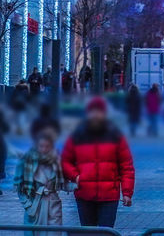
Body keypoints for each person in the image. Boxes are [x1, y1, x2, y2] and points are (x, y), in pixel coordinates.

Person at [61, 96, 135, 228]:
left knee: (106, 232)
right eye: (92, 111)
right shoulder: (77, 136)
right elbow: (65, 161)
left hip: (109, 196)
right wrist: (76, 177)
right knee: (88, 231)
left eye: (99, 111)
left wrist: (127, 192)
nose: (95, 115)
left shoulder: (116, 136)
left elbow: (126, 166)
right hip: (84, 194)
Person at [15, 129, 68, 226]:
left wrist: (79, 183)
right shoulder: (27, 161)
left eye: (47, 146)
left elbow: (64, 183)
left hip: (53, 206)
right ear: (36, 145)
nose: (44, 149)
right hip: (34, 205)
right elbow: (20, 187)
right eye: (41, 146)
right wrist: (28, 206)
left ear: (51, 146)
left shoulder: (57, 160)